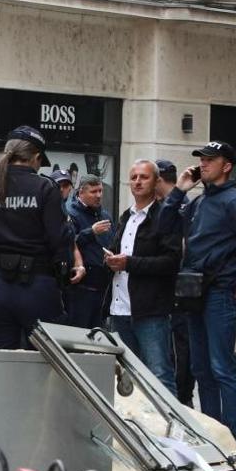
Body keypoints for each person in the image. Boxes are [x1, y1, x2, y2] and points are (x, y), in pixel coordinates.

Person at [162, 141, 236, 443]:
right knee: (201, 368)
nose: (204, 164)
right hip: (194, 292)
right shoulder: (197, 202)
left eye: (210, 160)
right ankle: (213, 435)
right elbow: (165, 223)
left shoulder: (235, 202)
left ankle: (232, 438)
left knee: (221, 368)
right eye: (202, 160)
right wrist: (180, 189)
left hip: (220, 293)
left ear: (227, 165)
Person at [0, 126, 85, 349]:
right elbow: (59, 239)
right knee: (45, 364)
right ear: (36, 157)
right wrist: (65, 273)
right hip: (38, 286)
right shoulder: (45, 187)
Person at [104, 160, 182, 393]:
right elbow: (120, 254)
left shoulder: (165, 216)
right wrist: (111, 261)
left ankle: (173, 427)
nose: (137, 182)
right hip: (119, 309)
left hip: (150, 311)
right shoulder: (126, 217)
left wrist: (129, 263)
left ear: (157, 181)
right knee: (127, 377)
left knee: (159, 375)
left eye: (144, 177)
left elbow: (171, 262)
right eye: (134, 177)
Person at [153, 159, 195, 406]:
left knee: (181, 350)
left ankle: (182, 399)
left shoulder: (181, 207)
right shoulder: (166, 205)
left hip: (178, 290)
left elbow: (181, 249)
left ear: (159, 179)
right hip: (165, 289)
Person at [63, 176, 112, 328]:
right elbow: (67, 243)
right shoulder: (70, 213)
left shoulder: (104, 215)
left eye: (100, 191)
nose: (98, 195)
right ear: (81, 193)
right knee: (79, 333)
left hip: (103, 286)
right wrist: (91, 232)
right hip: (80, 288)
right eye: (93, 191)